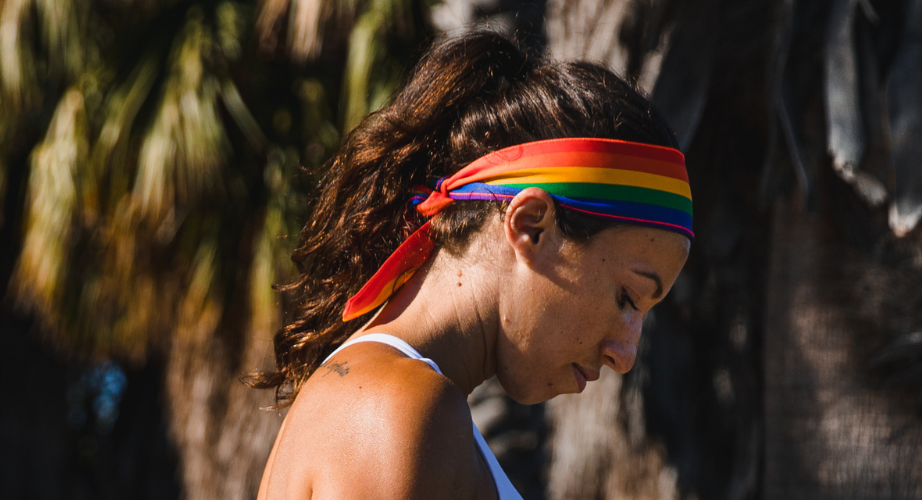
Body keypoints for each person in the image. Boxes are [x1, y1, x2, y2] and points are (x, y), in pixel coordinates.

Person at [249, 31, 693, 500]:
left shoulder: (398, 402)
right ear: (530, 227)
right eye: (627, 297)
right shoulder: (398, 410)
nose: (625, 355)